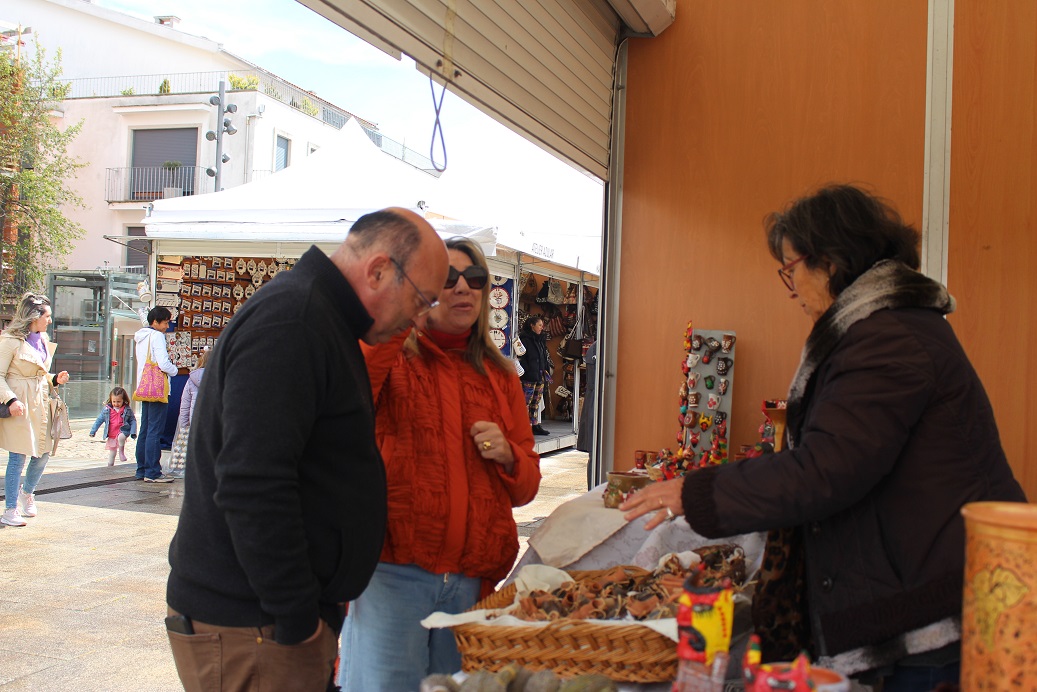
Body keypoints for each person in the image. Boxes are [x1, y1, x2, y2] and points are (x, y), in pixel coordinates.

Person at [621, 184, 1026, 691]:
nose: (790, 289)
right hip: (920, 593)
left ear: (831, 262)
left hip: (927, 614)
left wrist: (696, 491)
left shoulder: (888, 339)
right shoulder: (886, 330)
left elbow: (826, 469)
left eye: (791, 270)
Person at [165, 208, 449, 692]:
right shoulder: (294, 322)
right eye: (422, 300)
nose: (420, 319)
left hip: (270, 624)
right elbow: (252, 482)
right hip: (256, 627)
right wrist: (296, 619)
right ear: (379, 269)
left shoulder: (320, 319)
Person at [338, 236, 541, 691]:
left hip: (471, 585)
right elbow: (353, 391)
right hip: (392, 575)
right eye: (447, 279)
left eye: (475, 279)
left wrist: (509, 453)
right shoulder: (389, 357)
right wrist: (403, 310)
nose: (463, 289)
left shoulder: (501, 376)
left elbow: (526, 488)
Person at [0, 293, 70, 527]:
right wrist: (10, 400)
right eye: (47, 316)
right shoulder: (10, 340)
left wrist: (55, 379)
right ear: (34, 316)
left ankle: (27, 492)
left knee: (44, 453)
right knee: (17, 457)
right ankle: (10, 509)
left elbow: (39, 373)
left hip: (40, 402)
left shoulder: (42, 338)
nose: (50, 320)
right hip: (19, 404)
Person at [133, 306, 178, 483]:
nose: (167, 326)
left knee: (145, 429)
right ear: (155, 322)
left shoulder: (141, 336)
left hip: (144, 386)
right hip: (157, 388)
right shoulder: (157, 336)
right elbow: (163, 363)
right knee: (154, 430)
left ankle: (142, 468)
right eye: (165, 322)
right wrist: (174, 370)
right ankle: (153, 471)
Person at [167, 348, 209, 479]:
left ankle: (193, 470)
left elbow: (184, 405)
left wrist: (184, 425)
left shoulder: (191, 379)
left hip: (194, 421)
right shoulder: (219, 378)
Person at [518, 314, 551, 435]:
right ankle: (524, 425)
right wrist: (527, 370)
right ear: (532, 326)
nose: (542, 328)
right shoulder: (524, 339)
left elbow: (543, 356)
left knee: (536, 402)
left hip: (539, 374)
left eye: (542, 325)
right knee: (526, 401)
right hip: (529, 375)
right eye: (539, 325)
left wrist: (545, 370)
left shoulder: (540, 339)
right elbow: (521, 357)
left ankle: (534, 424)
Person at [89, 386, 137, 466]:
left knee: (121, 437)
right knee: (112, 452)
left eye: (118, 401)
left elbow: (133, 420)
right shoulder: (106, 410)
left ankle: (121, 452)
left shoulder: (127, 410)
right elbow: (99, 420)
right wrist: (93, 431)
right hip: (112, 433)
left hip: (123, 430)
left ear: (123, 400)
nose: (116, 404)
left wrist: (133, 432)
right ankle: (110, 466)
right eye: (114, 401)